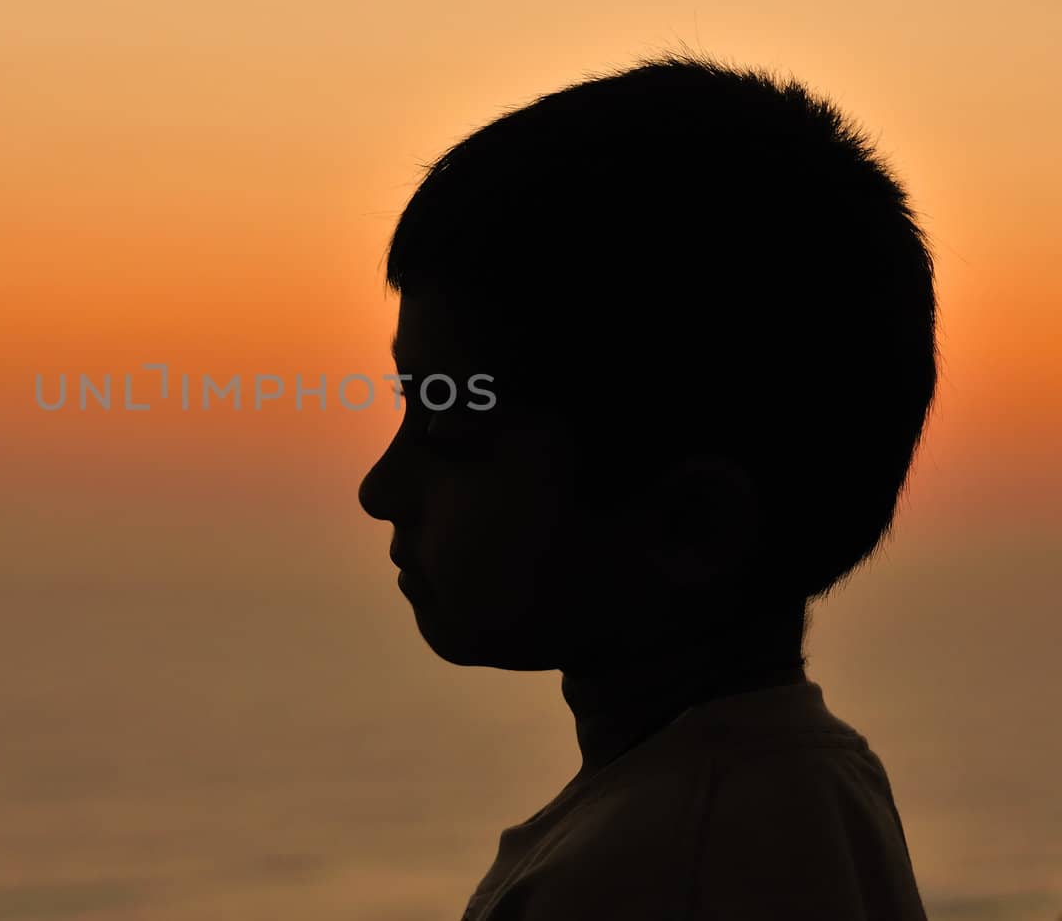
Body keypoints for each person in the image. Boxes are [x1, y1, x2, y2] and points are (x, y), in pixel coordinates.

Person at [357, 54, 937, 920]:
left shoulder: (660, 867)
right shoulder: (812, 785)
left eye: (448, 425)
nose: (379, 487)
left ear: (692, 526)